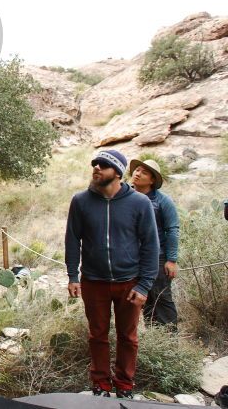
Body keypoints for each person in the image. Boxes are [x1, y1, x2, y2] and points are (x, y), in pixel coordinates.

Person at [65, 149, 159, 400]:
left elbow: (151, 244)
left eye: (103, 165)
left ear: (117, 172)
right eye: (95, 163)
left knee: (128, 337)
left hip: (129, 282)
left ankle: (125, 385)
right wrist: (73, 276)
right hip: (94, 281)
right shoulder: (80, 201)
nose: (96, 168)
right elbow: (72, 240)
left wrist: (144, 286)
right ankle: (101, 384)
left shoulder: (139, 203)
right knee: (97, 334)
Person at [129, 158, 180, 328]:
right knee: (143, 299)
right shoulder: (124, 196)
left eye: (144, 172)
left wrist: (171, 259)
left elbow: (172, 229)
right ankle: (153, 340)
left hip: (157, 258)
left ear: (152, 180)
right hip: (131, 258)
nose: (138, 173)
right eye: (137, 170)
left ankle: (170, 342)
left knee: (161, 298)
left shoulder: (162, 201)